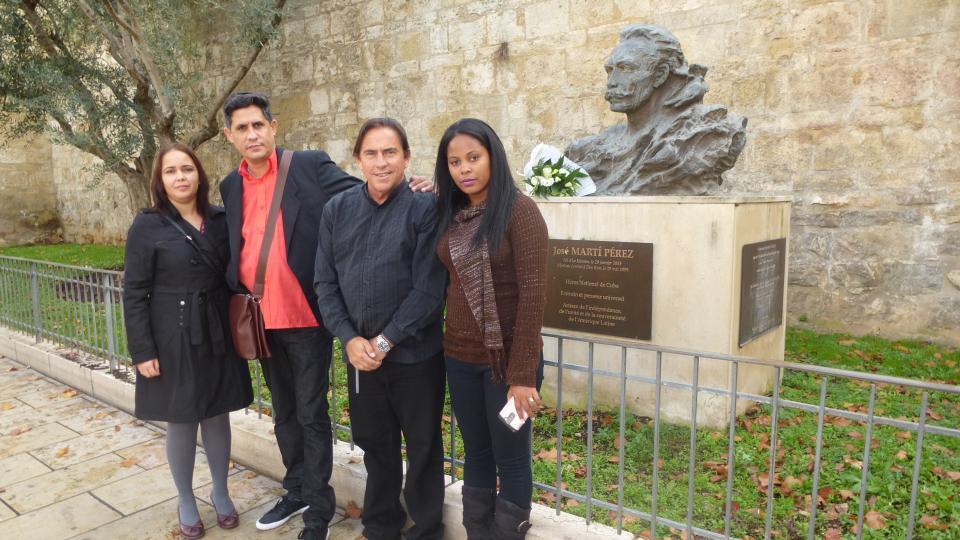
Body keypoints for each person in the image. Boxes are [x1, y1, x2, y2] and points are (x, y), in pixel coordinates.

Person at [219, 92, 431, 540]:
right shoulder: (230, 186)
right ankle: (296, 488)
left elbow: (365, 194)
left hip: (306, 316)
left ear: (273, 127)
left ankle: (318, 511)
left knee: (312, 414)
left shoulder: (308, 167)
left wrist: (415, 186)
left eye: (259, 124)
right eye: (242, 128)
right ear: (229, 135)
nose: (252, 134)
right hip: (261, 319)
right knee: (282, 413)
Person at [314, 118, 446, 540]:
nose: (381, 161)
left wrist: (385, 340)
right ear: (358, 159)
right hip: (360, 358)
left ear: (407, 157)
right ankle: (381, 525)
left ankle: (426, 529)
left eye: (391, 152)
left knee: (423, 447)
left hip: (415, 355)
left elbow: (430, 288)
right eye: (371, 153)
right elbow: (325, 283)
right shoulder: (337, 210)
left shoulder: (426, 208)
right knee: (376, 446)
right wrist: (350, 339)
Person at [123, 143, 253, 539]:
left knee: (217, 414)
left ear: (199, 174)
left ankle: (220, 490)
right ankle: (185, 497)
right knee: (181, 419)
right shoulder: (148, 225)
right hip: (171, 334)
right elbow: (134, 292)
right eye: (171, 171)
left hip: (216, 328)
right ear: (160, 181)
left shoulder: (220, 219)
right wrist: (142, 350)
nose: (180, 177)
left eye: (187, 169)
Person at [434, 118, 548, 540]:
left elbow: (534, 298)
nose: (465, 169)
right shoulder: (452, 214)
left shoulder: (520, 211)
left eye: (473, 158)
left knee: (512, 458)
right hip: (459, 358)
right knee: (477, 455)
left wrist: (521, 377)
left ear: (493, 157)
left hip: (507, 367)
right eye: (455, 162)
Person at [565, 24, 746, 195]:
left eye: (626, 68)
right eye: (609, 71)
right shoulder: (587, 148)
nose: (612, 82)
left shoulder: (697, 136)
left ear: (660, 74)